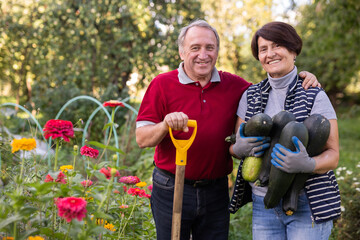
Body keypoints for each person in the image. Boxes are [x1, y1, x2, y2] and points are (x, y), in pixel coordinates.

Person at [135, 19, 319, 240]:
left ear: (217, 52)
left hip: (216, 190)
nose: (203, 54)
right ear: (182, 52)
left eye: (209, 48)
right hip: (172, 187)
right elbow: (142, 138)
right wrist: (165, 124)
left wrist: (301, 77)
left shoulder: (234, 85)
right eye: (195, 48)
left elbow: (271, 90)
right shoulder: (162, 84)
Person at [229, 21, 341, 240]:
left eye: (277, 45)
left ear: (293, 50)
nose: (270, 54)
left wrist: (309, 164)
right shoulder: (250, 96)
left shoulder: (314, 94)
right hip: (264, 203)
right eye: (263, 49)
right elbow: (235, 145)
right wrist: (238, 148)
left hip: (306, 201)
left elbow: (333, 154)